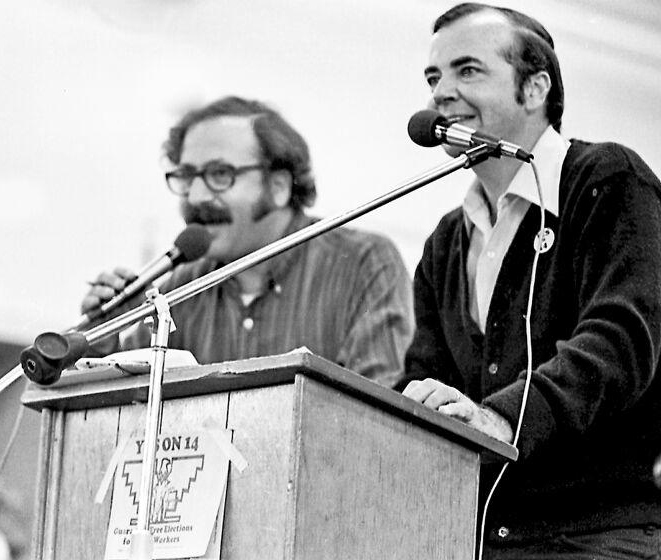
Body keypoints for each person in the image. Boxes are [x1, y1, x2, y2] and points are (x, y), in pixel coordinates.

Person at [398, 3, 661, 558]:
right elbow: (425, 378)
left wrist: (500, 416)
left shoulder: (608, 179)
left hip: (595, 535)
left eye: (467, 70)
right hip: (474, 539)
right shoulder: (446, 241)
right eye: (433, 76)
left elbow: (621, 340)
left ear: (535, 88)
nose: (441, 92)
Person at [81, 96, 413, 386]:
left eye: (220, 175)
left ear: (279, 186)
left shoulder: (364, 263)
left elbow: (376, 417)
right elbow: (125, 408)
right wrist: (101, 339)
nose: (195, 196)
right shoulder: (181, 287)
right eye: (186, 177)